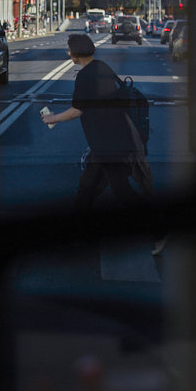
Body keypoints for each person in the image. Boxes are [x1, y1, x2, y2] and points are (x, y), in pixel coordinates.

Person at [40, 32, 165, 254]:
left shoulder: (85, 77)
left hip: (111, 145)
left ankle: (158, 230)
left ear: (76, 54)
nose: (68, 54)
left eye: (69, 50)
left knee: (122, 192)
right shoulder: (102, 67)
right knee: (87, 188)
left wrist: (53, 119)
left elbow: (78, 110)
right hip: (109, 142)